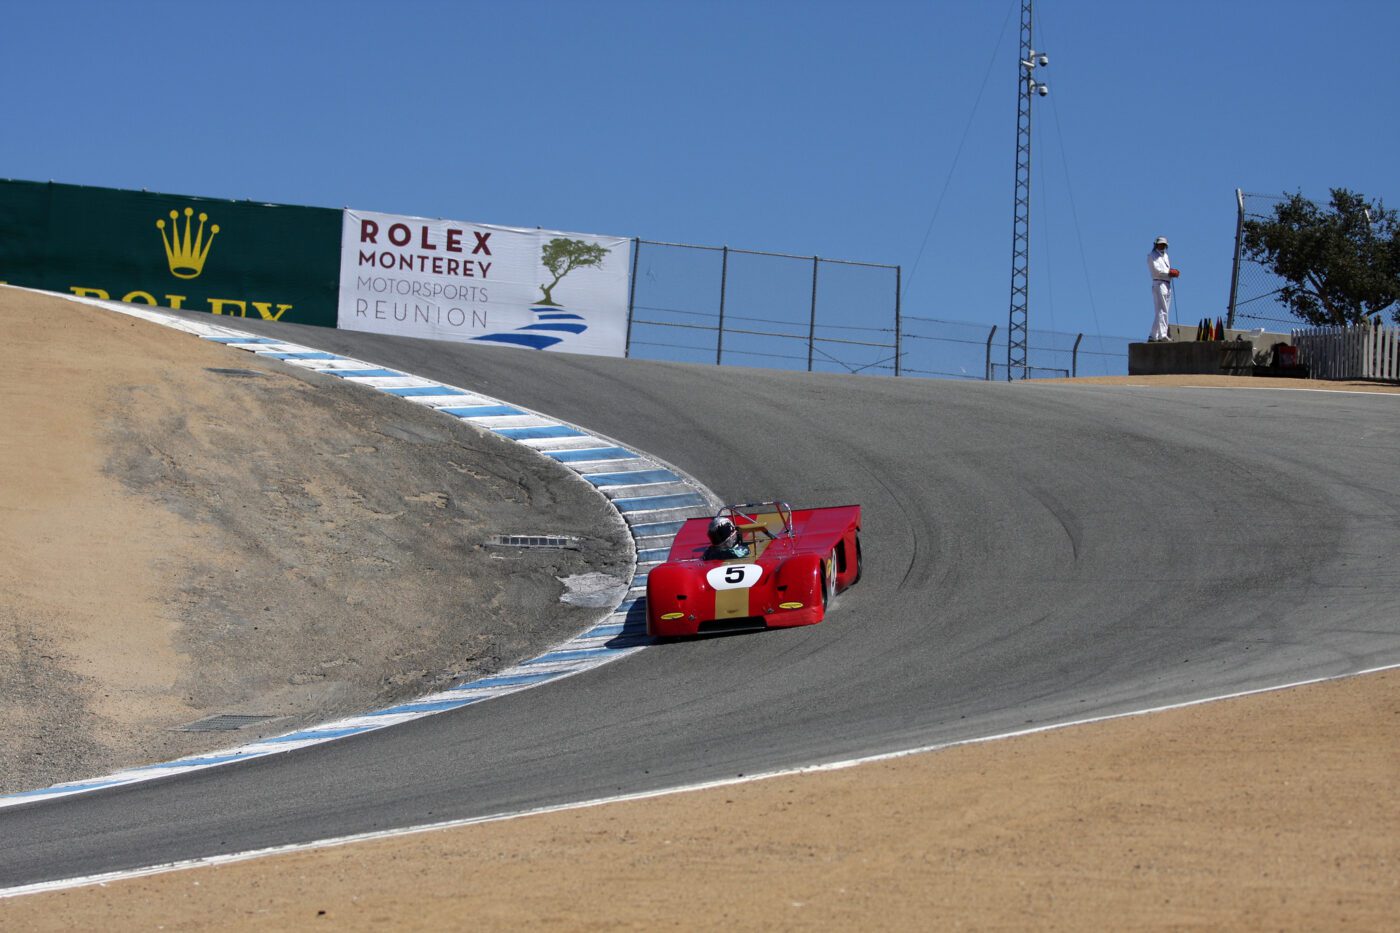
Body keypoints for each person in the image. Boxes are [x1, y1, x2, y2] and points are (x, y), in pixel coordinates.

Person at [1147, 236, 1180, 342]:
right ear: (1156, 245)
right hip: (1159, 283)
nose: (1162, 246)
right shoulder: (1152, 256)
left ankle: (1153, 335)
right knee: (1163, 310)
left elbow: (1166, 269)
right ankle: (1163, 335)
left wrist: (1172, 273)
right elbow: (1157, 271)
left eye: (1164, 245)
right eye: (1160, 244)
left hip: (1167, 284)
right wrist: (1169, 273)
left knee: (1161, 311)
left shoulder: (1165, 256)